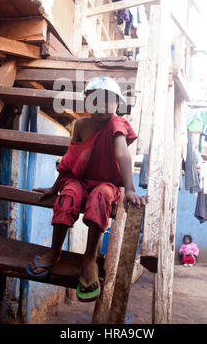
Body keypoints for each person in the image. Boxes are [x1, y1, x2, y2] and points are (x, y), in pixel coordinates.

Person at [26, 76, 146, 302]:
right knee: (67, 195)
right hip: (79, 180)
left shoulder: (116, 124)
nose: (101, 106)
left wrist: (130, 189)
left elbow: (122, 153)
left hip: (106, 183)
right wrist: (54, 187)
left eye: (107, 101)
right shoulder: (81, 125)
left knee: (100, 197)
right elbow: (71, 159)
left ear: (117, 105)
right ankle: (54, 251)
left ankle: (89, 258)